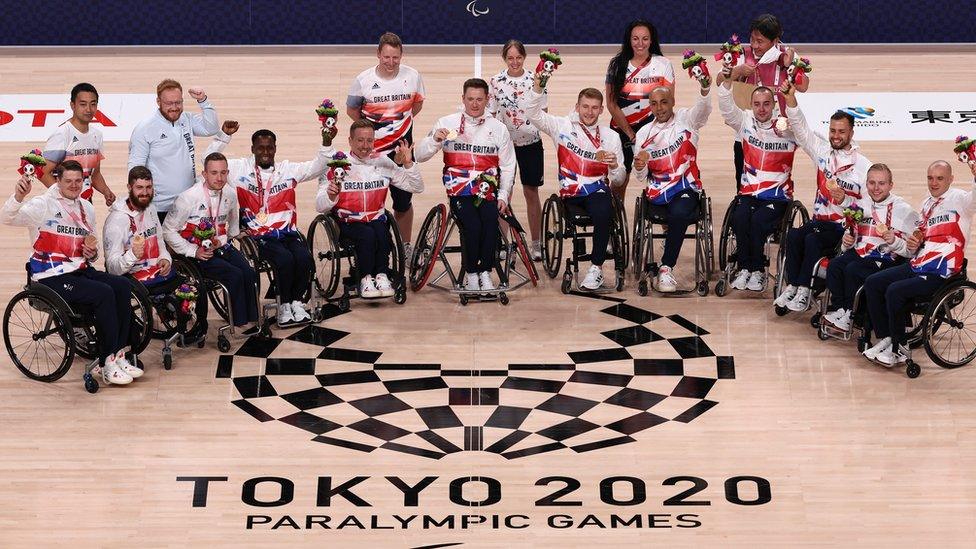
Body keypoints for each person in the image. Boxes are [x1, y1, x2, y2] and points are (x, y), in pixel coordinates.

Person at [2, 160, 140, 385]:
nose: (74, 186)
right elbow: (5, 218)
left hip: (79, 269)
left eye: (78, 181)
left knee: (122, 285)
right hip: (50, 276)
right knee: (103, 293)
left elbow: (91, 252)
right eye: (68, 181)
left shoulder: (86, 207)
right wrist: (18, 197)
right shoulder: (42, 204)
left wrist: (91, 252)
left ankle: (118, 353)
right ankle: (106, 362)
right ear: (57, 179)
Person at [204, 118, 332, 326]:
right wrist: (224, 136)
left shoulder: (287, 170)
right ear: (253, 149)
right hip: (258, 236)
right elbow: (209, 161)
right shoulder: (239, 169)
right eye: (260, 148)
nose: (265, 152)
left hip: (287, 233)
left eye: (269, 148)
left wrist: (326, 142)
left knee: (304, 257)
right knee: (284, 260)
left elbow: (318, 166)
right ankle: (283, 306)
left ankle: (297, 303)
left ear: (275, 149)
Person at [862, 161, 976, 366]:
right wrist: (911, 243)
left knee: (895, 291)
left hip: (941, 272)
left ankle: (900, 347)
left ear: (951, 179)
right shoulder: (926, 204)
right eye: (930, 178)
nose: (934, 183)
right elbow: (915, 245)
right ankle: (888, 338)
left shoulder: (960, 200)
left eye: (940, 178)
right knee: (873, 282)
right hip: (918, 263)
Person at [774, 83, 872, 312]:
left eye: (841, 132)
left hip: (841, 226)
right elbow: (801, 130)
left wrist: (846, 199)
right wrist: (790, 100)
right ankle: (793, 286)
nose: (836, 136)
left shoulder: (862, 166)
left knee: (811, 240)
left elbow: (870, 204)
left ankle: (805, 290)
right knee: (795, 235)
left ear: (851, 133)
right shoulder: (822, 152)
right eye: (833, 131)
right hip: (819, 221)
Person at [523, 69, 625, 290]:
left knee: (603, 212)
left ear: (601, 110)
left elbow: (618, 180)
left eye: (594, 107)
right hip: (570, 193)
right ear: (577, 106)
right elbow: (532, 113)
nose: (589, 112)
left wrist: (615, 165)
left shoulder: (611, 137)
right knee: (598, 208)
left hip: (596, 188)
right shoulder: (561, 127)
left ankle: (596, 268)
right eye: (585, 106)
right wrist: (538, 88)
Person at [415, 78, 516, 292]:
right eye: (470, 99)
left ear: (487, 100)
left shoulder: (498, 129)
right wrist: (434, 140)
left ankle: (485, 273)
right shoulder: (447, 123)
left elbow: (508, 166)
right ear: (463, 99)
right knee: (472, 225)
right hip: (459, 191)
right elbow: (419, 155)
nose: (475, 104)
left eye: (480, 99)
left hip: (487, 191)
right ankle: (471, 273)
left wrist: (503, 195)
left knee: (489, 223)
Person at [316, 119, 424, 298]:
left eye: (369, 141)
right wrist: (331, 196)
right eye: (360, 140)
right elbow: (320, 205)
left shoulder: (383, 162)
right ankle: (365, 278)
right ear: (350, 141)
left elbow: (417, 187)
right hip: (347, 222)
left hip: (375, 219)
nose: (365, 146)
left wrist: (408, 163)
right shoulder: (336, 165)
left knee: (382, 234)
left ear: (374, 141)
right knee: (367, 235)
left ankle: (381, 275)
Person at [103, 166, 208, 342]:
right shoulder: (117, 220)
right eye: (139, 188)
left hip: (157, 271)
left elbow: (159, 241)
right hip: (133, 277)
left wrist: (165, 259)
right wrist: (132, 256)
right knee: (176, 298)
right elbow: (112, 268)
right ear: (129, 188)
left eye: (148, 187)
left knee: (198, 287)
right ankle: (177, 331)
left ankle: (194, 331)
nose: (144, 193)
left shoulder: (150, 208)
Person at [347, 32, 425, 260]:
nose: (391, 63)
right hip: (371, 153)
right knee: (372, 203)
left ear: (402, 55)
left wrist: (398, 129)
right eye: (386, 57)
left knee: (403, 202)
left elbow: (416, 106)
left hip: (402, 151)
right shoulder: (362, 80)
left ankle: (405, 247)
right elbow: (353, 111)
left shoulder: (413, 76)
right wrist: (374, 133)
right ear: (378, 54)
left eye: (396, 58)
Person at [717, 71, 797, 291]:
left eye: (766, 104)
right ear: (751, 105)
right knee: (740, 218)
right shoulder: (745, 123)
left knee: (760, 221)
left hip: (777, 196)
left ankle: (758, 270)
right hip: (749, 193)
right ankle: (745, 268)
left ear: (773, 105)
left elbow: (808, 136)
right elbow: (726, 108)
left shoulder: (786, 128)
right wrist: (726, 83)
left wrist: (792, 125)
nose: (761, 109)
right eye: (757, 104)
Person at [632, 74, 713, 292]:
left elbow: (703, 109)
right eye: (654, 104)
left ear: (673, 102)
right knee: (673, 213)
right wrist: (639, 167)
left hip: (685, 186)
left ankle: (666, 268)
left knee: (679, 213)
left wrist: (705, 88)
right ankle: (668, 253)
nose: (659, 108)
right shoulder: (643, 134)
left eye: (664, 102)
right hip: (657, 191)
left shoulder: (687, 120)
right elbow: (640, 176)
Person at [163, 152, 259, 335]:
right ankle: (240, 321)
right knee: (234, 274)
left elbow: (232, 223)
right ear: (204, 174)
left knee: (248, 270)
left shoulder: (230, 193)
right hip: (195, 253)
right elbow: (168, 230)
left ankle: (252, 317)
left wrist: (229, 237)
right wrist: (192, 250)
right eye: (214, 173)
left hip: (220, 246)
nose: (219, 177)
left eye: (223, 173)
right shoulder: (188, 198)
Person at [822, 164, 918, 332]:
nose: (876, 188)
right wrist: (847, 242)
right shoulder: (861, 205)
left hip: (885, 258)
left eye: (881, 183)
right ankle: (841, 309)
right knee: (835, 265)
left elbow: (915, 245)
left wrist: (895, 241)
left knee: (853, 269)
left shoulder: (904, 210)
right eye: (872, 183)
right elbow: (852, 234)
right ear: (866, 184)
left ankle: (851, 314)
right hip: (861, 253)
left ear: (890, 185)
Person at [727, 14, 810, 187]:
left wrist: (789, 68)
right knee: (743, 182)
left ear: (775, 41)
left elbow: (804, 86)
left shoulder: (788, 55)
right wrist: (737, 71)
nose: (755, 45)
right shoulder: (742, 54)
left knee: (776, 180)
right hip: (747, 131)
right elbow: (720, 80)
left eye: (760, 41)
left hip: (779, 133)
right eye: (752, 39)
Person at [128, 79, 219, 222]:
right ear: (158, 102)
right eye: (169, 103)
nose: (174, 107)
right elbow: (135, 167)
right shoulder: (145, 128)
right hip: (160, 207)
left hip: (190, 202)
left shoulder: (186, 119)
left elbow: (211, 128)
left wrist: (203, 100)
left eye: (178, 102)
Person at [488, 39, 547, 260]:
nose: (515, 62)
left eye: (518, 57)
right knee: (505, 194)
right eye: (510, 58)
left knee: (531, 193)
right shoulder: (495, 81)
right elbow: (492, 116)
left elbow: (544, 113)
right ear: (505, 59)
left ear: (524, 57)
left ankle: (536, 243)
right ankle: (505, 245)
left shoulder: (536, 80)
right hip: (506, 147)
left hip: (531, 144)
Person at [605, 19, 674, 200]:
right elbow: (611, 104)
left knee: (661, 176)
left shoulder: (663, 64)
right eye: (635, 39)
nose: (640, 44)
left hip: (654, 129)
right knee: (620, 179)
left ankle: (666, 222)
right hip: (622, 129)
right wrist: (630, 134)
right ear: (629, 40)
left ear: (652, 41)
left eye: (645, 39)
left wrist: (652, 132)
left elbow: (668, 101)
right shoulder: (617, 64)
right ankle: (614, 220)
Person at [40, 83, 116, 206]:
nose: (88, 109)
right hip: (61, 205)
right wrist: (64, 197)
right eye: (83, 104)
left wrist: (106, 191)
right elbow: (43, 172)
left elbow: (94, 175)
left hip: (86, 204)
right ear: (72, 105)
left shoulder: (97, 135)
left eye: (93, 104)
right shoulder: (62, 134)